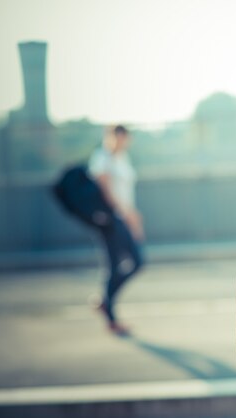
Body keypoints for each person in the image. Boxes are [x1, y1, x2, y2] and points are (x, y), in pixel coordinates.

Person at [89, 124, 144, 335]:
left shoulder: (123, 158)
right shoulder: (102, 157)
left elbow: (126, 192)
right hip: (111, 220)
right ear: (110, 137)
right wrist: (125, 213)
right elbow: (106, 189)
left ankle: (106, 301)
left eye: (125, 138)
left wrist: (134, 218)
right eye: (118, 138)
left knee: (135, 262)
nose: (122, 142)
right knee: (122, 264)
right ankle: (109, 313)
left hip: (125, 219)